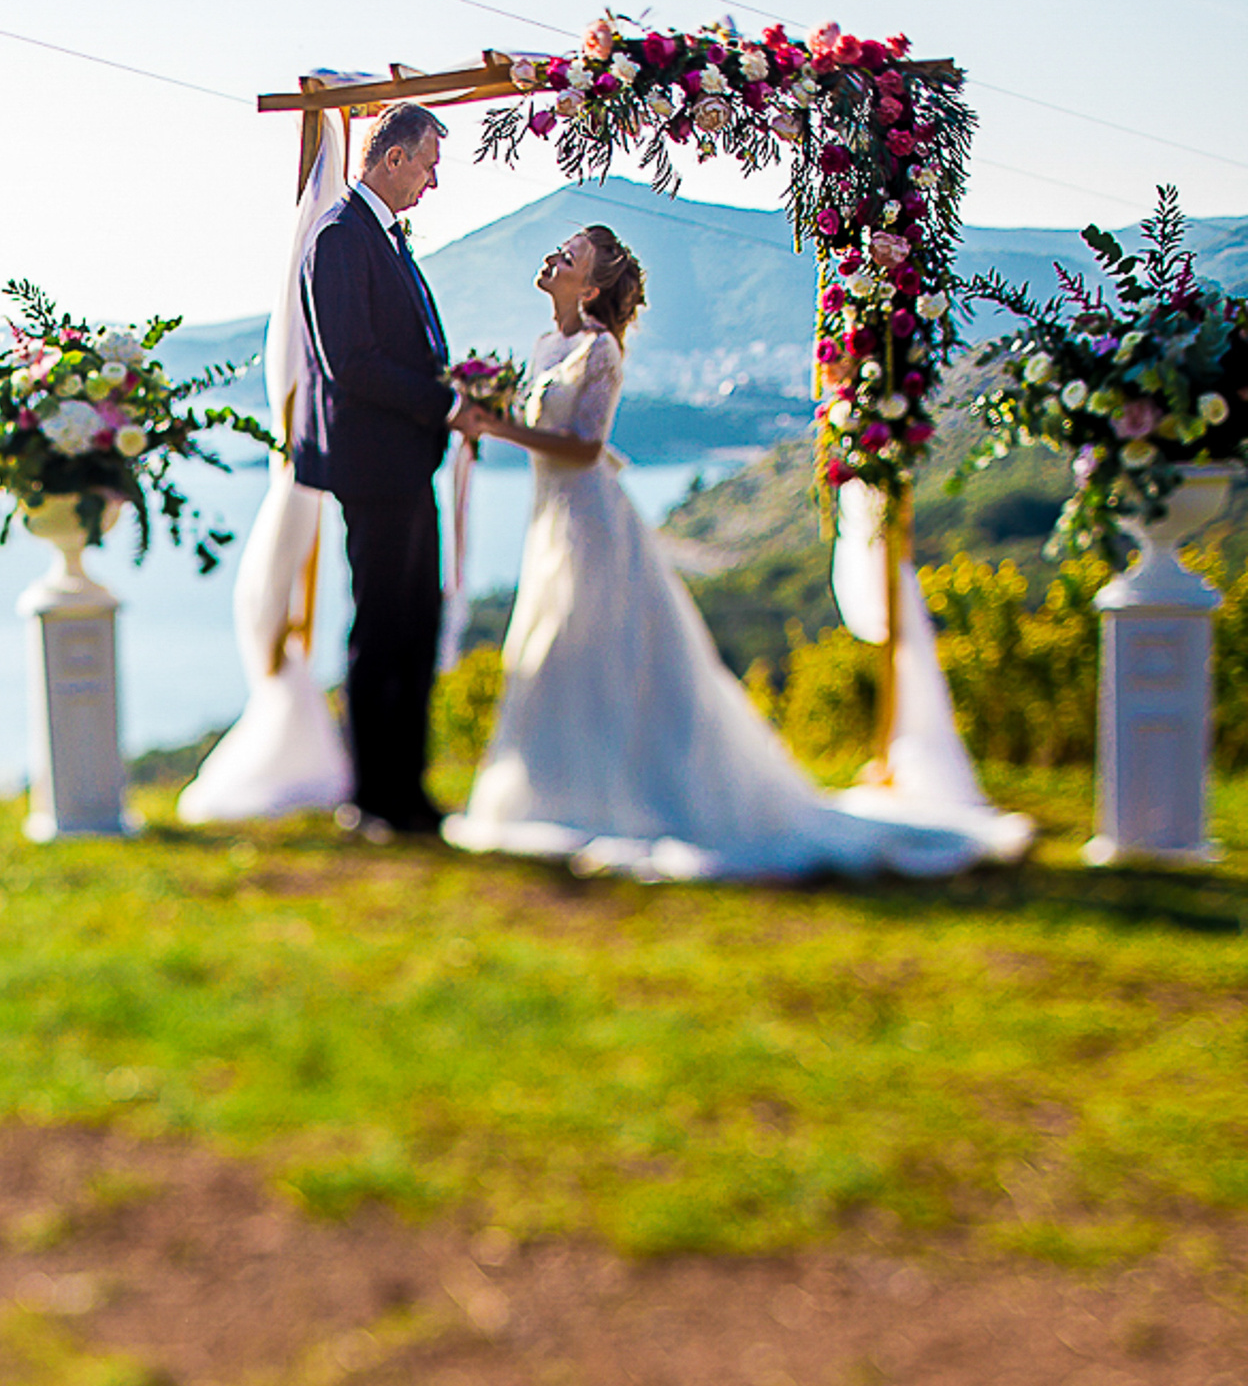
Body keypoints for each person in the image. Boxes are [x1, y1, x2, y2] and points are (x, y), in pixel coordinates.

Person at [441, 227, 998, 881]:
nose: (550, 257)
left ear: (590, 289)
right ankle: (560, 796)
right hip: (548, 518)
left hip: (589, 520)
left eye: (566, 257)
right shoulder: (546, 346)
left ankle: (630, 799)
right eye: (556, 248)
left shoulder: (600, 353)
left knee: (585, 647)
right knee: (555, 650)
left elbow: (586, 448)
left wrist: (496, 425)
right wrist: (486, 410)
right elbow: (547, 431)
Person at [292, 102, 457, 836]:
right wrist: (441, 402)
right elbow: (349, 363)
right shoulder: (338, 238)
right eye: (427, 164)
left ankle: (409, 789)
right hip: (374, 467)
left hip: (408, 463)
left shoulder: (385, 239)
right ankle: (373, 795)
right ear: (391, 158)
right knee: (382, 628)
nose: (430, 182)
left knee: (418, 623)